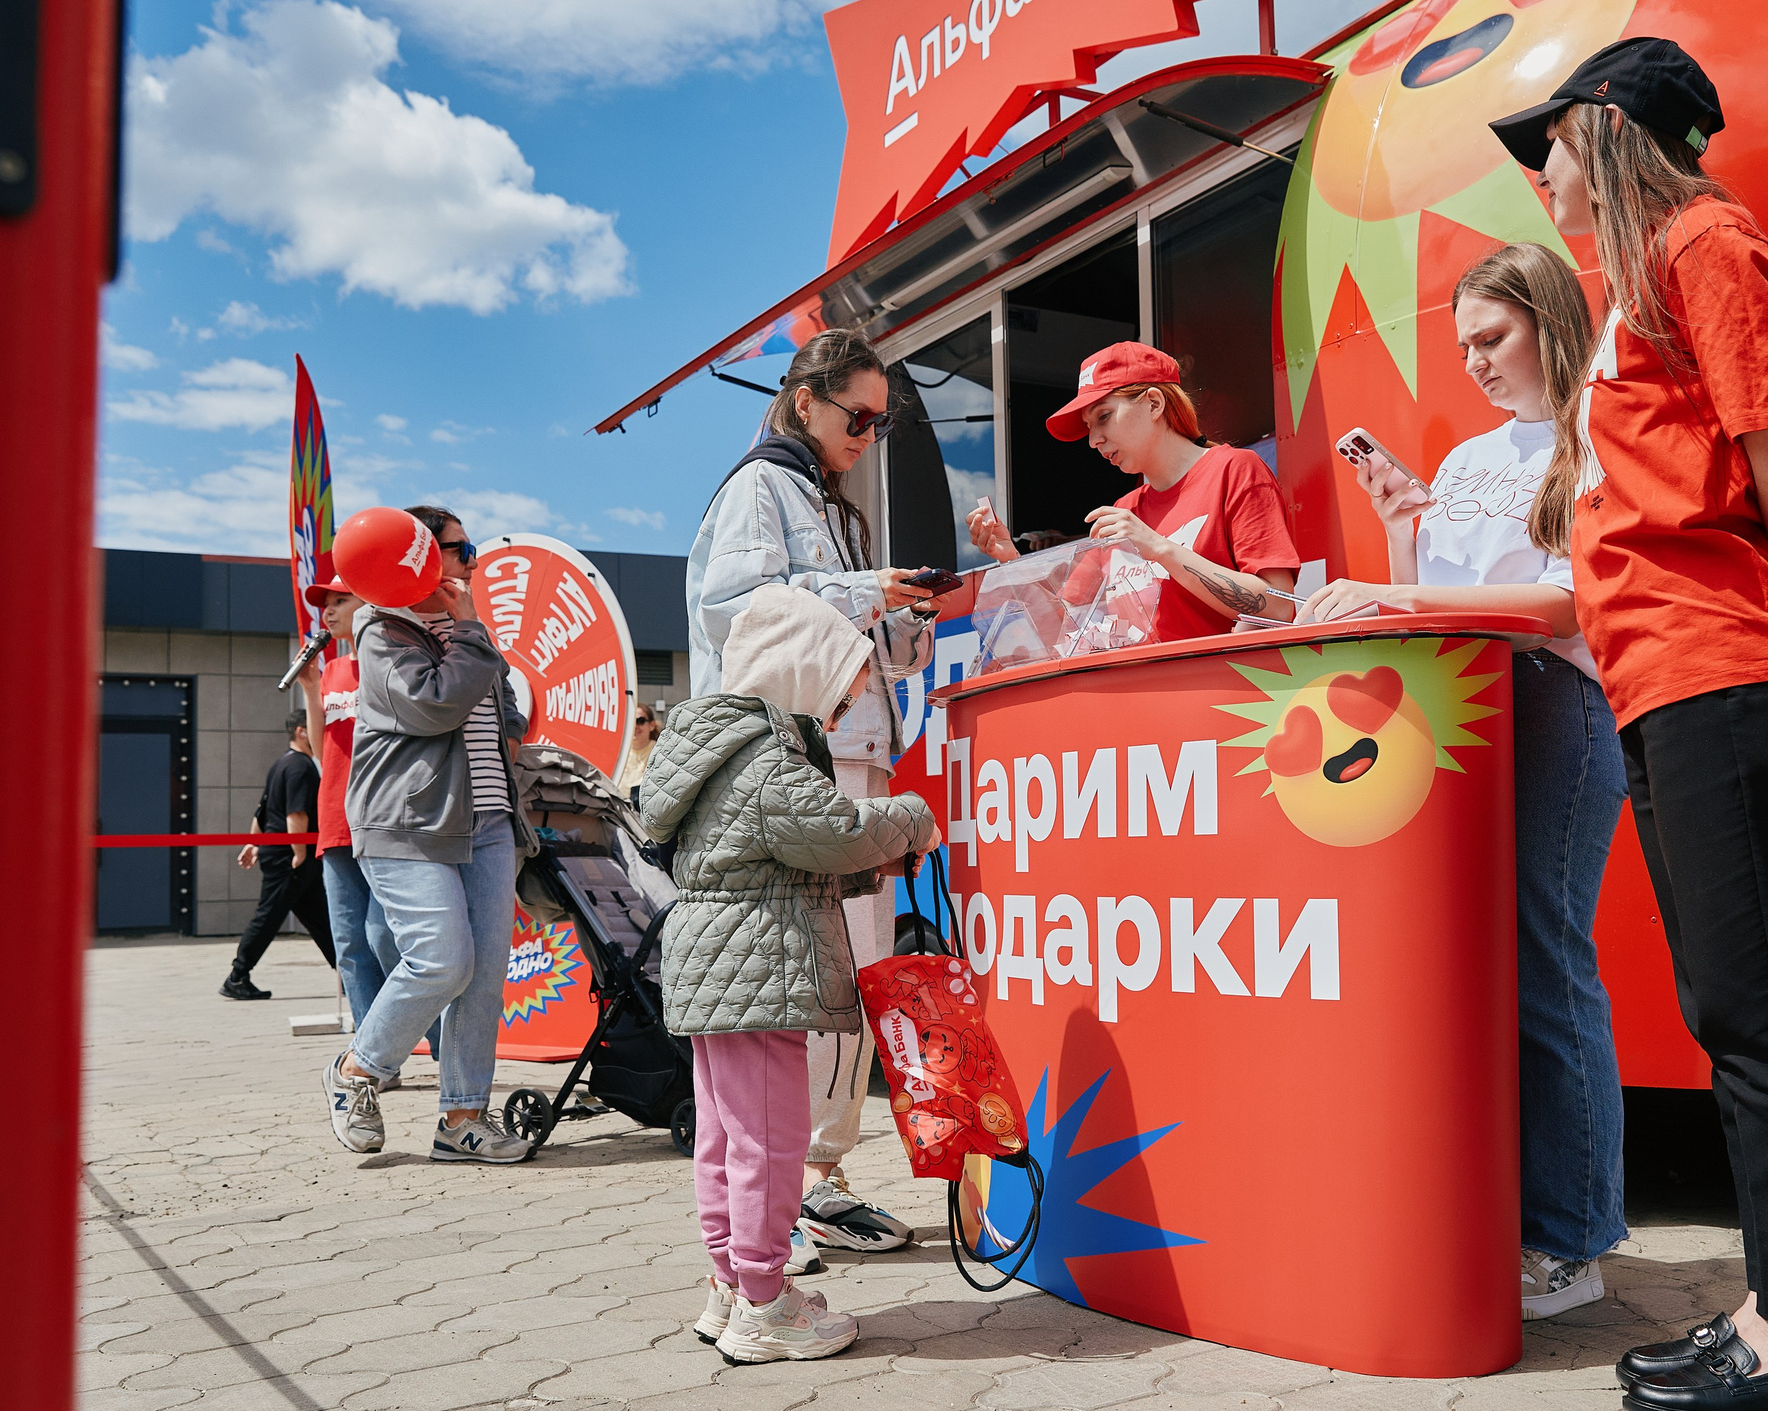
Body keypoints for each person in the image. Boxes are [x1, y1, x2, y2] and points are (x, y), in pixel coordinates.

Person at [1488, 37, 1768, 1411]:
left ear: (1610, 129)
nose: (1538, 172)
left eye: (1548, 142)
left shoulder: (1705, 243)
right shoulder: (1641, 279)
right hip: (1674, 677)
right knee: (1740, 1012)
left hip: (1725, 672)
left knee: (1763, 1019)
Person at [1300, 243, 1628, 1322]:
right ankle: (1514, 1216)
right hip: (1468, 713)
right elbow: (1438, 603)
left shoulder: (1597, 433)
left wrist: (1393, 599)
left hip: (1559, 709)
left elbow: (1569, 604)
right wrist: (1403, 533)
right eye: (1464, 347)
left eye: (1493, 337)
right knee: (1478, 969)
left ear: (1550, 322)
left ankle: (1572, 1241)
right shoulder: (1471, 454)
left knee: (1546, 959)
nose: (1476, 362)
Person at [688, 328, 934, 1267]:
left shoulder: (828, 501)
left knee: (849, 974)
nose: (869, 436)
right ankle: (780, 1201)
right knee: (804, 979)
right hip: (792, 754)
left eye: (881, 423)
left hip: (843, 744)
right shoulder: (763, 484)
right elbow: (742, 610)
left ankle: (812, 1181)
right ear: (805, 402)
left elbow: (846, 635)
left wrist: (905, 617)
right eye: (857, 417)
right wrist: (868, 591)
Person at [643, 584, 939, 1362]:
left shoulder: (715, 751)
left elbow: (773, 856)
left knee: (725, 1138)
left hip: (716, 965)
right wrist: (912, 818)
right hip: (760, 968)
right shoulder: (767, 759)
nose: (837, 720)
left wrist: (870, 866)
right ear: (799, 673)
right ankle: (766, 1305)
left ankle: (731, 1283)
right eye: (838, 700)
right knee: (771, 1143)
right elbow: (834, 830)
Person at [324, 506, 531, 1165]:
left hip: (487, 822)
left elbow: (507, 708)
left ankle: (463, 1118)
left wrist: (502, 710)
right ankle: (358, 1068)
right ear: (417, 555)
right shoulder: (382, 631)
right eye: (459, 548)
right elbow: (434, 703)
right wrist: (471, 632)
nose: (472, 560)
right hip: (408, 822)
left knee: (484, 977)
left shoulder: (463, 629)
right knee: (442, 960)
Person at [965, 341, 1300, 642]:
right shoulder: (1125, 510)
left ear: (1154, 403)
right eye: (1088, 427)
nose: (1093, 440)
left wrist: (1159, 547)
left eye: (1104, 416)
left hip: (1220, 687)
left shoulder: (1234, 470)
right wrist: (1012, 561)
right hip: (1138, 689)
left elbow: (1279, 607)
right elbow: (1063, 627)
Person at [293, 555, 422, 1074]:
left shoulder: (387, 661)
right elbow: (321, 748)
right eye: (324, 604)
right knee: (348, 944)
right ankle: (374, 1062)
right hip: (334, 820)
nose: (328, 612)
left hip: (382, 818)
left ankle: (434, 1039)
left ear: (367, 605)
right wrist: (309, 688)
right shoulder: (330, 671)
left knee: (385, 937)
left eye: (339, 600)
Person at [221, 711, 334, 1001]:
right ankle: (237, 976)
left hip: (282, 852)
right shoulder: (301, 767)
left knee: (322, 919)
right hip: (290, 857)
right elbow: (296, 813)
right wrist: (299, 854)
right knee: (269, 916)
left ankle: (350, 975)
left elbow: (262, 810)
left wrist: (253, 843)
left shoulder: (282, 763)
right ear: (301, 731)